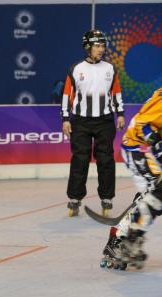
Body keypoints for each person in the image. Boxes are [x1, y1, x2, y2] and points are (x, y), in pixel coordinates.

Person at [61, 29, 125, 217]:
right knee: (80, 160)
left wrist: (120, 113)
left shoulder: (109, 69)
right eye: (97, 46)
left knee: (105, 159)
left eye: (103, 46)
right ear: (88, 47)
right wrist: (65, 119)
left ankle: (107, 199)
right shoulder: (76, 69)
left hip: (105, 121)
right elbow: (67, 95)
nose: (101, 49)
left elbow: (116, 93)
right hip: (80, 121)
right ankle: (74, 199)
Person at [100, 88, 162, 270]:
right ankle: (121, 240)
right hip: (138, 147)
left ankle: (124, 239)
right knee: (156, 193)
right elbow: (144, 126)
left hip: (144, 147)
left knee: (152, 195)